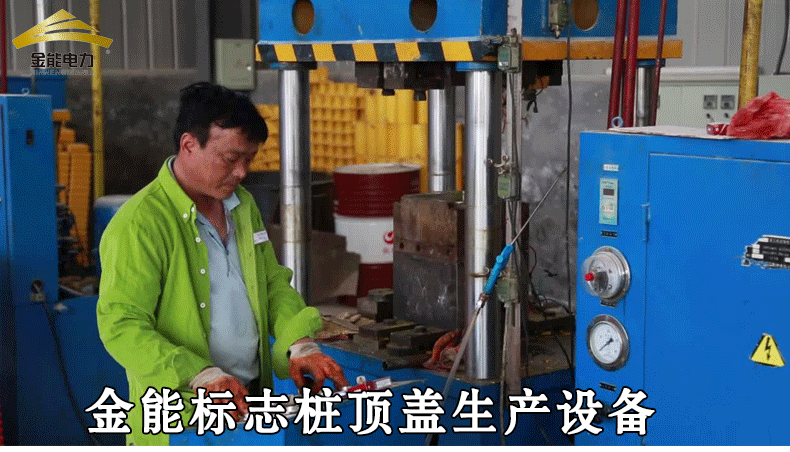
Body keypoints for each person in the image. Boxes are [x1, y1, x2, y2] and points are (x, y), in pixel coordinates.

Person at [96, 82, 348, 446]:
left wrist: (299, 342)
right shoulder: (140, 224)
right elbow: (121, 326)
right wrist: (199, 374)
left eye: (249, 159)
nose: (242, 172)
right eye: (231, 159)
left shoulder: (241, 206)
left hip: (245, 406)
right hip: (181, 420)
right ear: (188, 145)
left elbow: (271, 284)